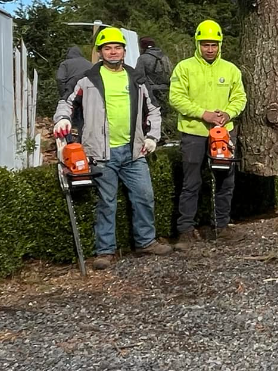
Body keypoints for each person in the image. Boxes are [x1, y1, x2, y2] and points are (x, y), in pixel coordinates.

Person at [53, 27, 172, 269]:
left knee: (145, 197)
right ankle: (105, 251)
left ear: (124, 51)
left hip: (133, 152)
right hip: (100, 154)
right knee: (106, 203)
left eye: (117, 47)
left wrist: (152, 137)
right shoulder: (86, 79)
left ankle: (146, 242)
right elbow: (65, 103)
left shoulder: (136, 78)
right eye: (108, 48)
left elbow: (155, 110)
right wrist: (62, 119)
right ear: (100, 52)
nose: (113, 51)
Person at [169, 20, 247, 247]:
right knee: (191, 183)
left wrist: (228, 114)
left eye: (214, 45)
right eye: (205, 45)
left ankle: (220, 227)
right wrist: (204, 114)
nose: (210, 49)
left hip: (224, 134)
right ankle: (185, 230)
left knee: (225, 182)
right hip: (193, 133)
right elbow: (176, 97)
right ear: (198, 44)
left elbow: (239, 98)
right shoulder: (184, 68)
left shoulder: (231, 70)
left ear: (220, 44)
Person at [136, 37, 173, 106]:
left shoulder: (143, 58)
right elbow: (171, 73)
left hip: (151, 91)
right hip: (166, 90)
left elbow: (139, 78)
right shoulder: (165, 57)